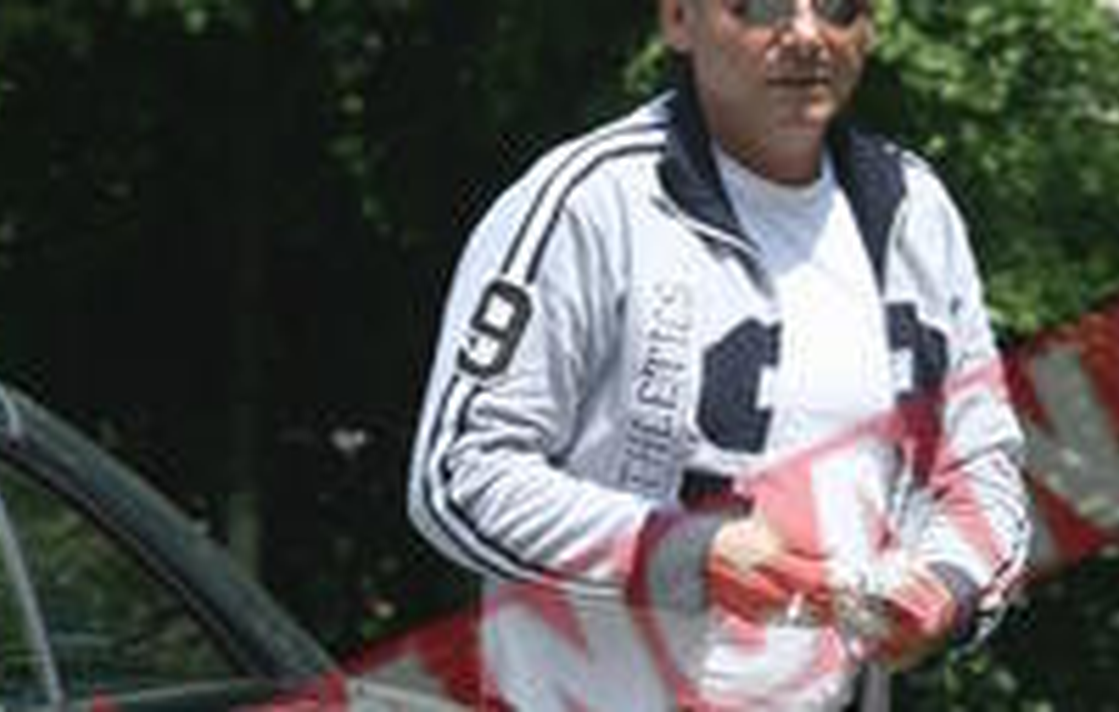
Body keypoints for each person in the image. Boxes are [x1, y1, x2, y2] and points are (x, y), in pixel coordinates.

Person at [408, 0, 1031, 708]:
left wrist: (946, 588)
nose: (806, 34)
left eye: (838, 7)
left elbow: (979, 463)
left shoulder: (914, 210)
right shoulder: (591, 199)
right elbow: (461, 474)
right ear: (679, 19)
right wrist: (687, 554)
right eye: (761, 6)